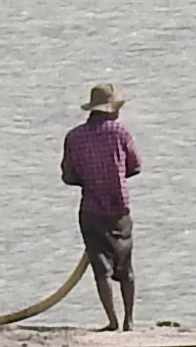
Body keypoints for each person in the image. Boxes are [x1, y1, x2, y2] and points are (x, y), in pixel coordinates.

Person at [58, 83, 144, 328]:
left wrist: (89, 178)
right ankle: (129, 321)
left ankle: (112, 321)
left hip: (91, 210)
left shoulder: (74, 137)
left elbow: (69, 176)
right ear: (112, 109)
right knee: (125, 267)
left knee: (101, 269)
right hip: (119, 209)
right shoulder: (120, 133)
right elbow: (135, 166)